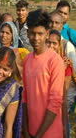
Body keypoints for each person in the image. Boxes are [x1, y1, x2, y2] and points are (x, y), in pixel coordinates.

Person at [22, 9, 65, 138]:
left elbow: (55, 101)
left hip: (50, 132)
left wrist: (38, 135)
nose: (36, 38)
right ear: (27, 32)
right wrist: (25, 129)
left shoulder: (55, 61)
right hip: (31, 131)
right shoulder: (27, 59)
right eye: (32, 33)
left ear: (47, 34)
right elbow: (24, 97)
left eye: (40, 34)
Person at [49, 11, 76, 111]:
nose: (53, 25)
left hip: (65, 93)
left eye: (57, 23)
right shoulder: (44, 43)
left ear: (62, 25)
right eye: (51, 22)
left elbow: (71, 78)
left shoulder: (67, 46)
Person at [46, 29, 73, 137]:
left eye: (54, 43)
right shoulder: (39, 61)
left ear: (59, 45)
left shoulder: (65, 64)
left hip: (57, 110)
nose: (51, 46)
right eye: (48, 42)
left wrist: (61, 69)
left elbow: (63, 95)